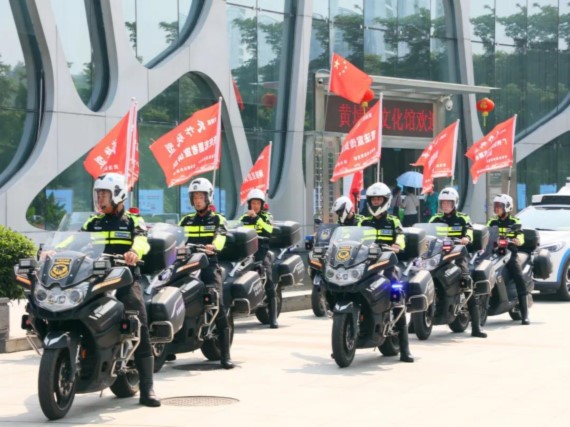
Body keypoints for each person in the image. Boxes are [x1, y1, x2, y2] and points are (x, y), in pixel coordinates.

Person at [81, 174, 160, 407]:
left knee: (138, 322)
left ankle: (147, 388)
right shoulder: (93, 222)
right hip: (96, 278)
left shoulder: (133, 221)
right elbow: (75, 240)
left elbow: (142, 241)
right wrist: (54, 250)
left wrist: (134, 252)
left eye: (104, 194)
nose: (100, 199)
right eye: (98, 194)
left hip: (124, 277)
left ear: (117, 195)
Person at [179, 177, 234, 368]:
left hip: (209, 264)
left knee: (216, 301)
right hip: (187, 265)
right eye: (194, 197)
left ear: (208, 197)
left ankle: (225, 354)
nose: (197, 200)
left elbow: (221, 236)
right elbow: (177, 237)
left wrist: (214, 246)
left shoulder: (218, 219)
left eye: (200, 197)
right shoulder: (186, 220)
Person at [358, 182, 413, 363]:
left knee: (397, 297)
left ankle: (405, 349)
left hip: (387, 264)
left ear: (386, 201)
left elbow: (401, 236)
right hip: (366, 265)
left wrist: (398, 245)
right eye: (373, 199)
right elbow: (353, 238)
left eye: (378, 199)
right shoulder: (363, 222)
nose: (375, 202)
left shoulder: (393, 221)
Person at [429, 187, 487, 338]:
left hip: (458, 254)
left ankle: (476, 327)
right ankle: (415, 322)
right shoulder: (435, 219)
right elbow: (428, 234)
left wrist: (466, 238)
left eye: (448, 202)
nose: (445, 205)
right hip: (440, 255)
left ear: (455, 203)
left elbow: (469, 231)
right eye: (443, 202)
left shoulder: (463, 218)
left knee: (466, 282)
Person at [487, 194, 529, 325]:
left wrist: (517, 240)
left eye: (499, 206)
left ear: (507, 207)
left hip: (510, 253)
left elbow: (521, 235)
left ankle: (525, 314)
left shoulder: (515, 221)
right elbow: (487, 234)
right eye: (495, 206)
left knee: (518, 277)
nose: (497, 208)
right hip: (495, 253)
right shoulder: (492, 222)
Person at [240, 188, 278, 329]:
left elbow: (269, 230)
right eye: (253, 203)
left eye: (258, 203)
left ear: (262, 204)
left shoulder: (267, 217)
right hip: (246, 251)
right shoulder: (243, 218)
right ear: (249, 204)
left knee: (269, 279)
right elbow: (236, 228)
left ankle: (273, 318)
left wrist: (256, 218)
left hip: (262, 250)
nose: (255, 206)